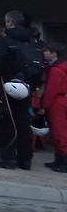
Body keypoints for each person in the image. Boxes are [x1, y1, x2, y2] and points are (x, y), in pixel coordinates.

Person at [0, 10, 41, 170]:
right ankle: (25, 160)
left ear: (9, 23)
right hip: (27, 87)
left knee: (7, 123)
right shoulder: (36, 42)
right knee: (23, 124)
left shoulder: (6, 42)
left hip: (6, 86)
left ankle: (8, 158)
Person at [39, 42, 67, 172]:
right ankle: (59, 160)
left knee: (59, 131)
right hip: (60, 100)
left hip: (57, 102)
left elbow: (51, 90)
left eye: (47, 51)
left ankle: (63, 161)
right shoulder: (60, 68)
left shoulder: (56, 70)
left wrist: (44, 105)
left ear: (54, 54)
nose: (44, 53)